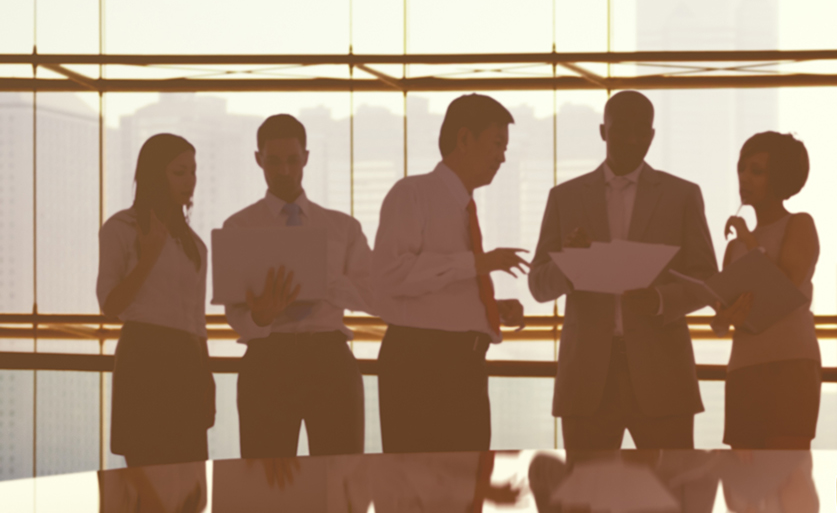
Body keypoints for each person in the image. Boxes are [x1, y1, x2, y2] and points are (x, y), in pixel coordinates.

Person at [529, 91, 718, 451]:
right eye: (621, 130)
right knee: (585, 499)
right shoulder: (564, 198)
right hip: (587, 377)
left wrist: (661, 299)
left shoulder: (682, 195)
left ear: (652, 135)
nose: (632, 140)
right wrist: (571, 265)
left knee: (670, 499)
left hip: (662, 374)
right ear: (603, 131)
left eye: (640, 132)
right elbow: (538, 285)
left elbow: (707, 278)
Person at [370, 94, 527, 453]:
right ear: (464, 140)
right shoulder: (412, 193)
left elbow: (432, 289)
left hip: (464, 365)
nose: (502, 156)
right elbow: (391, 275)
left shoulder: (463, 204)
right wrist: (477, 264)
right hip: (421, 364)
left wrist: (486, 304)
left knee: (467, 486)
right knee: (415, 488)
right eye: (497, 143)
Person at [222, 113, 375, 459]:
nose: (285, 171)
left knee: (341, 476)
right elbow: (234, 311)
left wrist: (324, 280)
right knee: (266, 480)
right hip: (267, 358)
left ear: (306, 158)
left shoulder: (343, 228)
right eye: (273, 161)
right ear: (258, 160)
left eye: (293, 160)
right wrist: (260, 317)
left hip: (329, 358)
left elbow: (372, 296)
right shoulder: (238, 228)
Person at [97, 133, 215, 467]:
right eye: (179, 172)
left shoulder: (195, 245)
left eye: (193, 172)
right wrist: (147, 257)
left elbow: (197, 319)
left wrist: (208, 376)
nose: (190, 181)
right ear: (154, 175)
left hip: (189, 362)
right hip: (144, 357)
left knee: (188, 481)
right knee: (145, 481)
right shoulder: (121, 228)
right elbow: (110, 305)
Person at [711, 132, 821, 450]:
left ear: (780, 178)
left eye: (756, 171)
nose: (744, 178)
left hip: (791, 365)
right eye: (742, 169)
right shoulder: (734, 247)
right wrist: (725, 318)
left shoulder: (799, 224)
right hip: (744, 367)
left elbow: (786, 288)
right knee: (744, 486)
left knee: (788, 478)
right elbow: (720, 323)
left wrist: (749, 240)